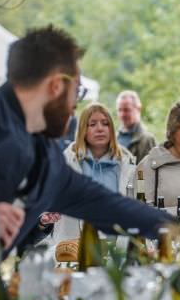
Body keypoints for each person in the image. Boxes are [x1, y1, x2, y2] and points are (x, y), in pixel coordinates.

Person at [0, 26, 180, 266]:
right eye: (75, 92)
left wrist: (177, 227)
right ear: (56, 86)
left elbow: (104, 204)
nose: (74, 106)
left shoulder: (47, 160)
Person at [49, 102, 136, 243]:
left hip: (116, 247)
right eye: (93, 124)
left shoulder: (127, 163)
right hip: (73, 247)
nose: (100, 129)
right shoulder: (65, 162)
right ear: (83, 129)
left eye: (105, 123)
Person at [116, 90, 156, 163]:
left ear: (138, 109)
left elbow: (148, 172)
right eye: (119, 110)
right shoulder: (113, 138)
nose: (122, 114)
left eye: (126, 110)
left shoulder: (147, 140)